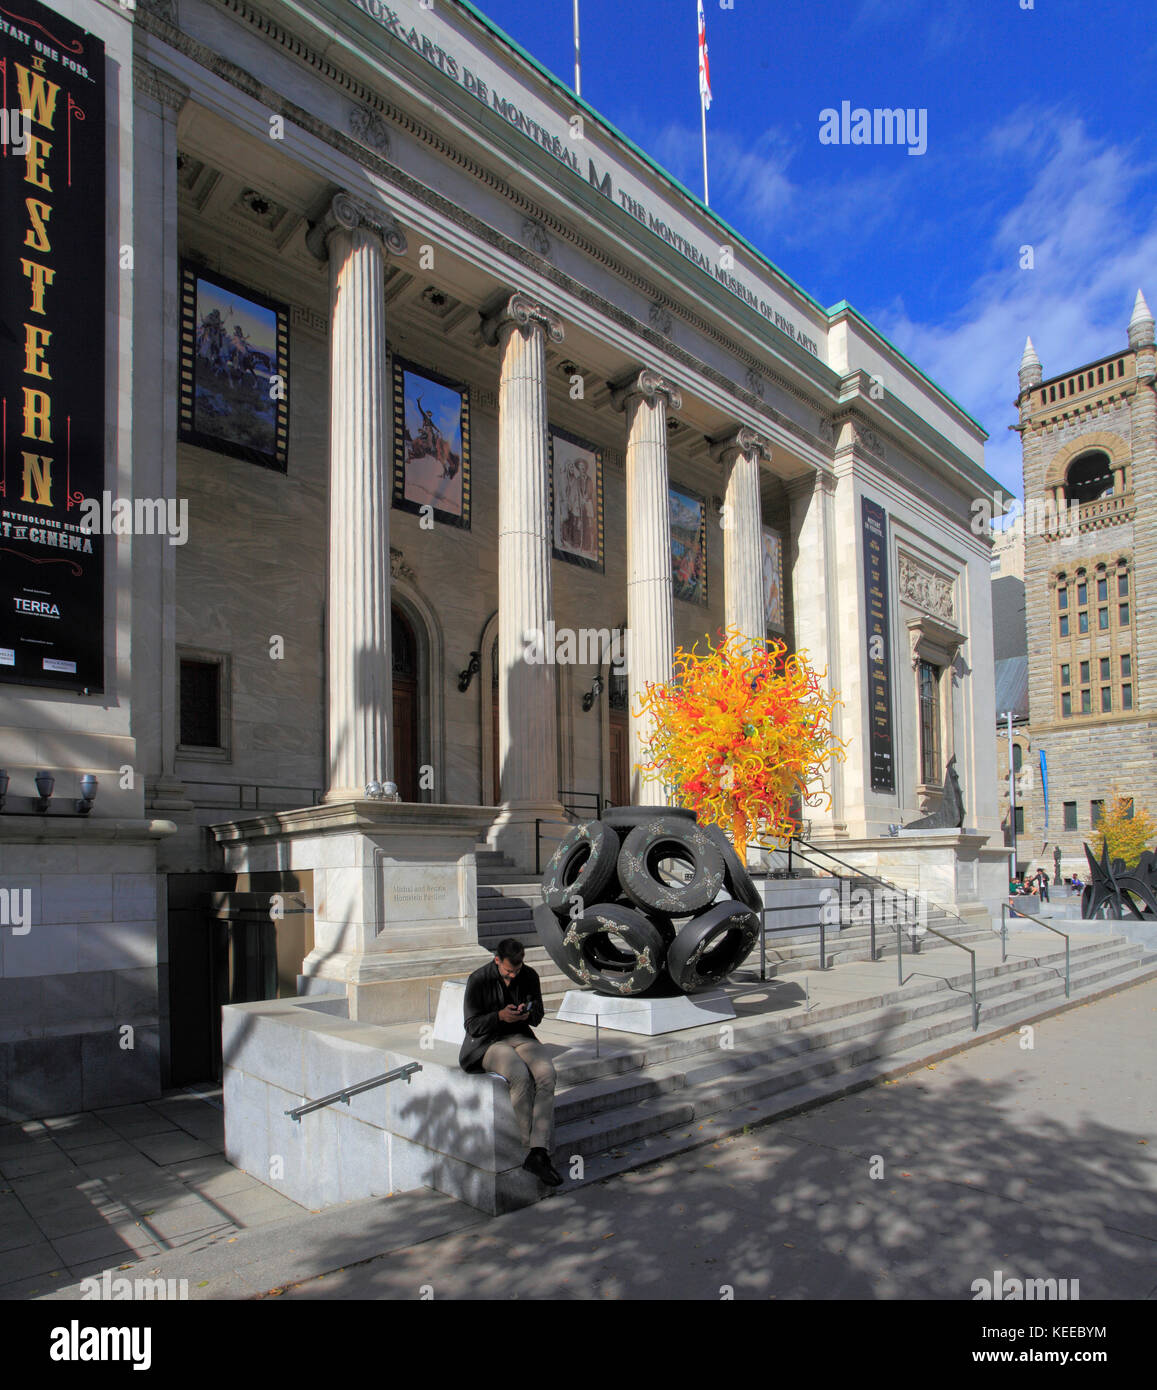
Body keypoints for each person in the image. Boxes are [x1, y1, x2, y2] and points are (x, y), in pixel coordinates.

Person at [459, 938, 561, 1187]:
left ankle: (538, 1153)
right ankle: (533, 1148)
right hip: (487, 1042)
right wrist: (499, 1016)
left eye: (517, 970)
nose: (513, 975)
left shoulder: (529, 975)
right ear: (497, 961)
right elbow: (472, 1026)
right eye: (508, 971)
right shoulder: (478, 979)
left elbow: (538, 1016)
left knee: (547, 1073)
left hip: (520, 1035)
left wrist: (528, 1013)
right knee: (519, 1074)